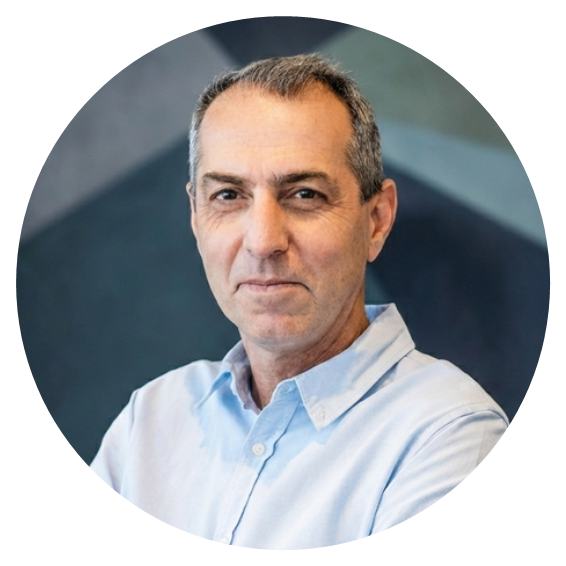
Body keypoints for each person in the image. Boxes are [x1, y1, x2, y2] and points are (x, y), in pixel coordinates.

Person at [91, 54, 508, 549]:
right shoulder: (150, 419)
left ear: (376, 220)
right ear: (196, 216)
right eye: (228, 195)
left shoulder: (449, 434)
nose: (263, 241)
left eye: (305, 194)